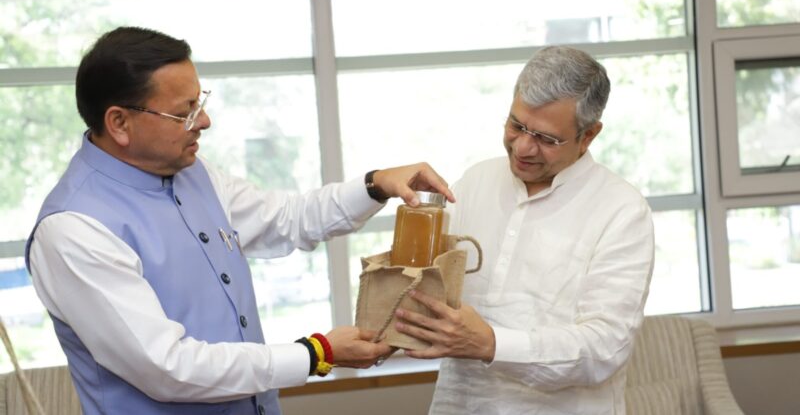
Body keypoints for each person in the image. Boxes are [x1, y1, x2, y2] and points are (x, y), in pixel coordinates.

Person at [24, 26, 454, 415]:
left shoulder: (193, 173)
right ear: (119, 122)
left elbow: (287, 219)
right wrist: (316, 353)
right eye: (184, 112)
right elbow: (168, 368)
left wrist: (375, 184)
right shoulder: (73, 230)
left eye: (200, 103)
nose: (204, 121)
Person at [394, 46, 655, 414]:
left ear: (589, 135)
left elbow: (603, 348)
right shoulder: (476, 181)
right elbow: (428, 285)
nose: (523, 148)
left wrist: (492, 344)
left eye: (547, 139)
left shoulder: (622, 211)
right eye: (516, 126)